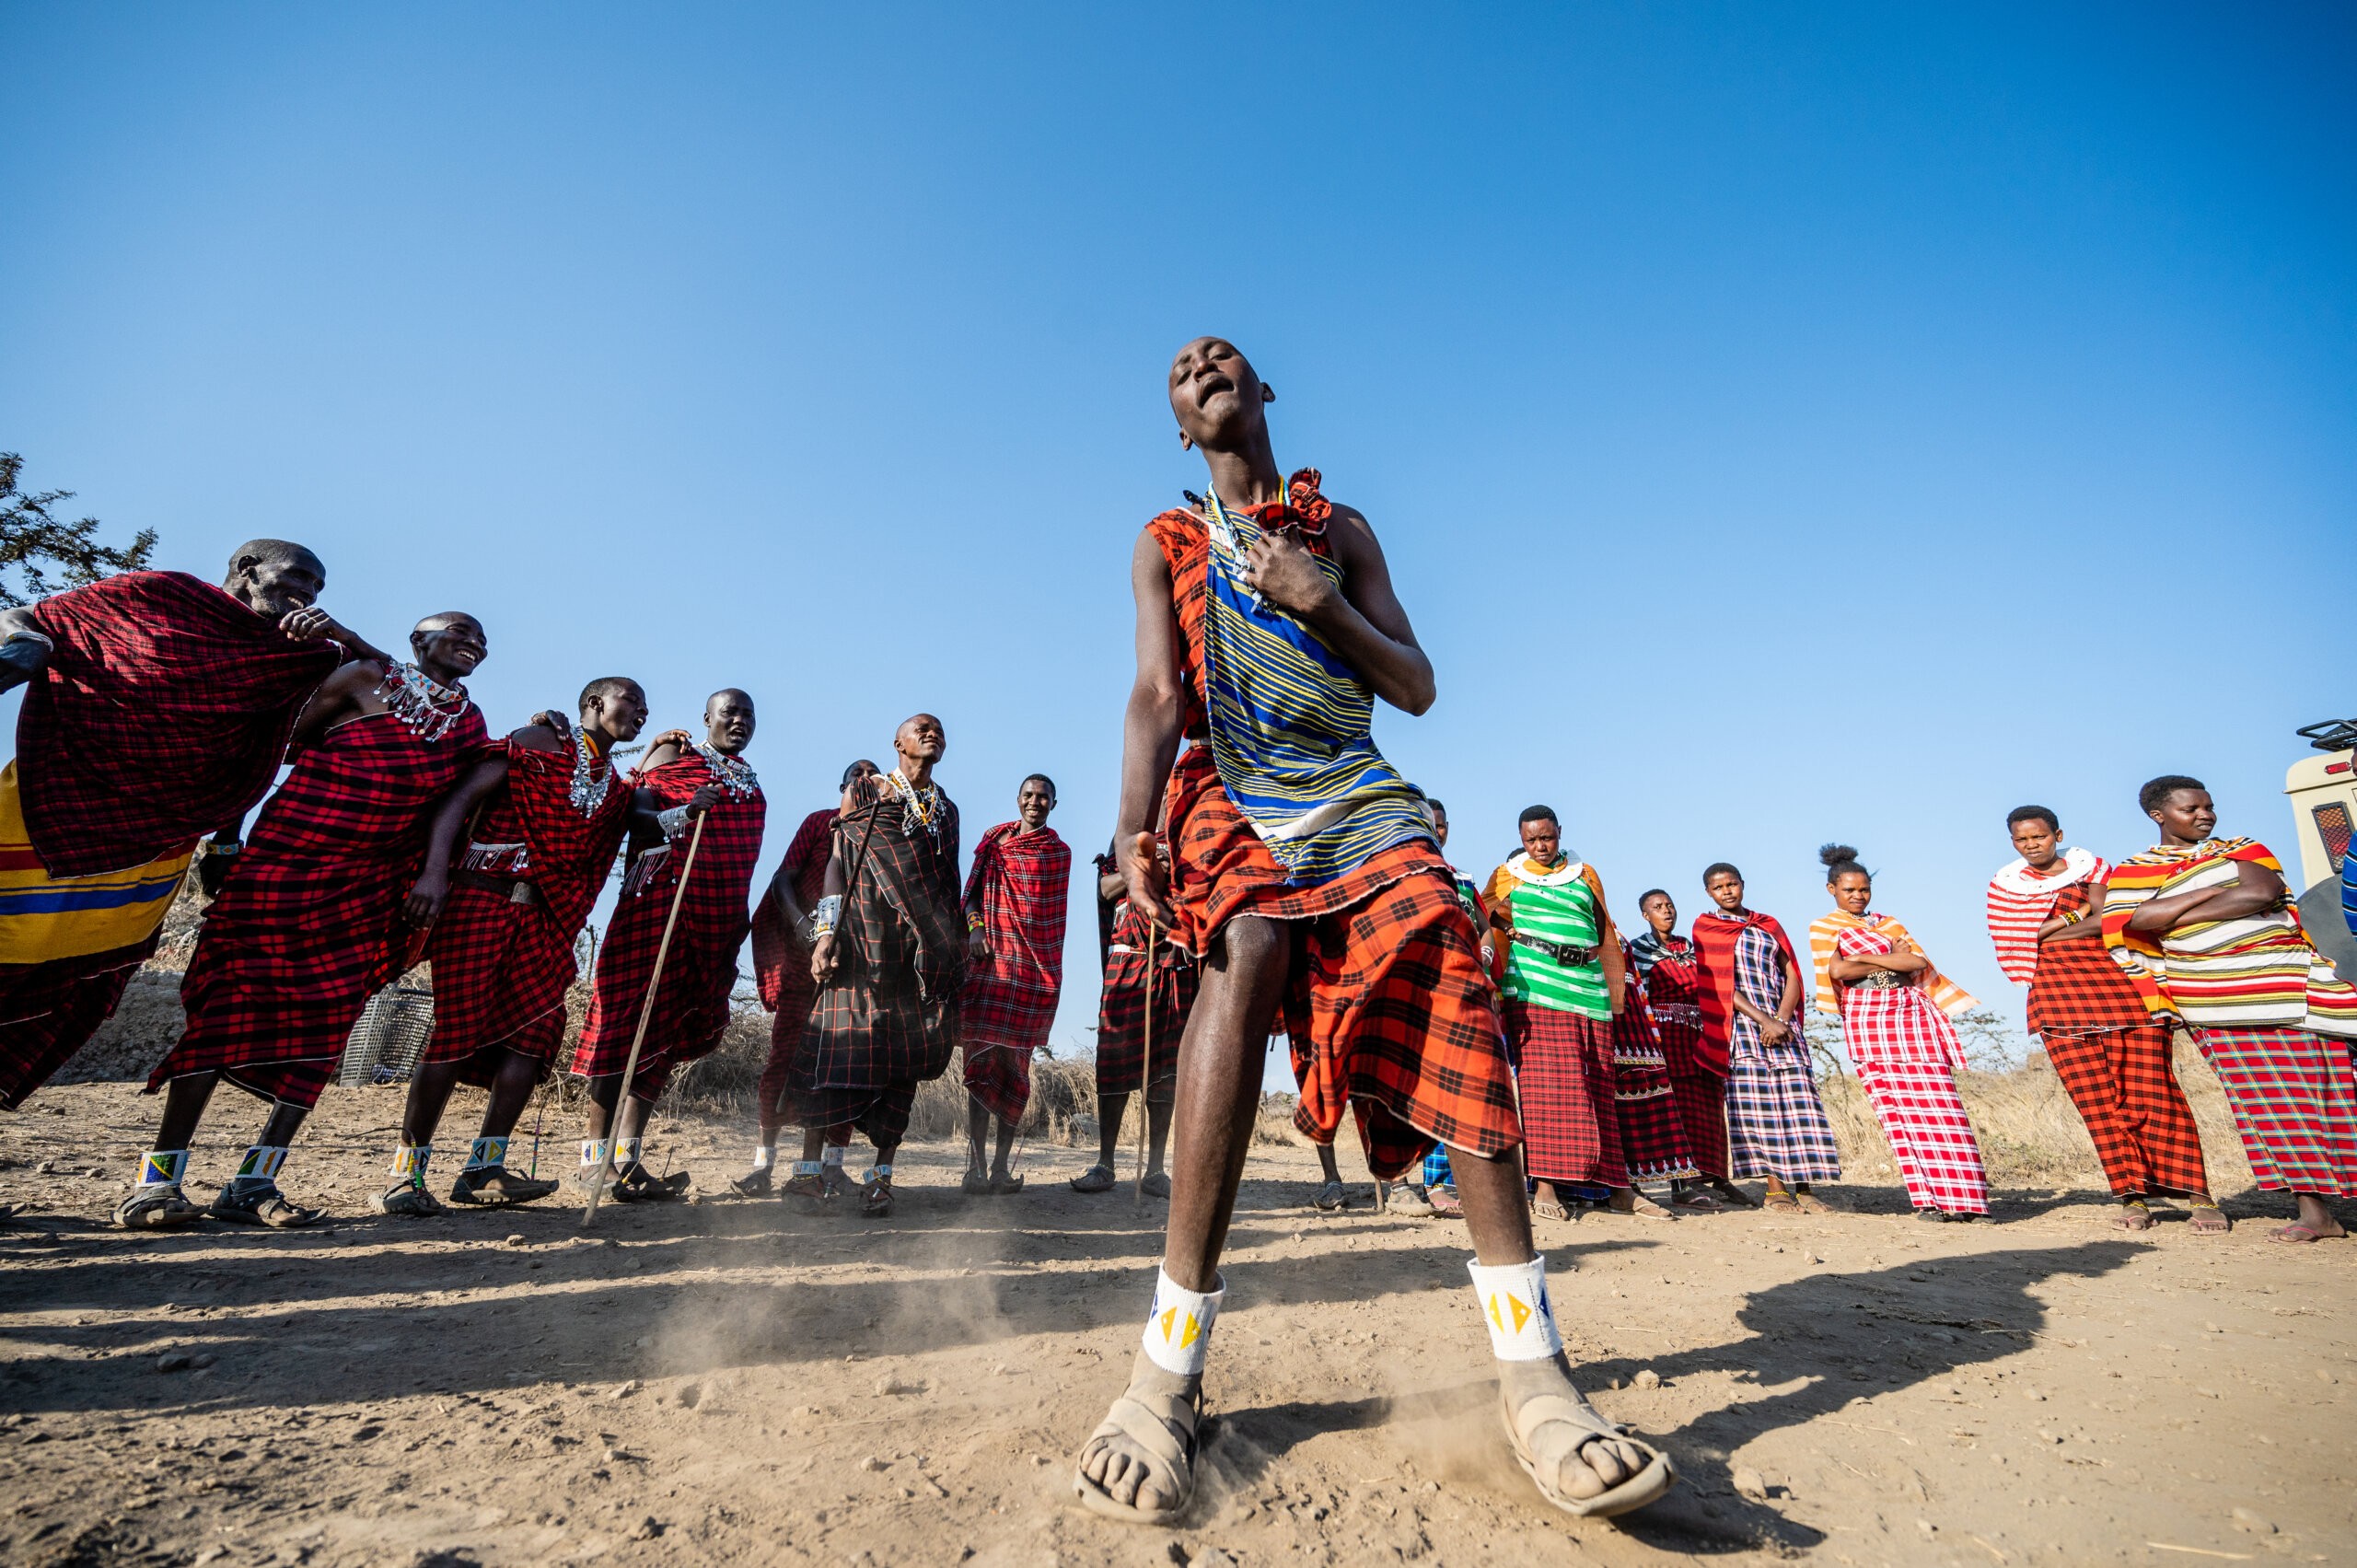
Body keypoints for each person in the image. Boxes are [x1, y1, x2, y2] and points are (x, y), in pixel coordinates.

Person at [1073, 338, 1672, 1526]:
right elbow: (1154, 694)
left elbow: (1415, 684)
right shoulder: (1168, 540)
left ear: (1264, 395)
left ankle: (1533, 1373)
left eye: (1225, 356)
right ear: (1177, 424)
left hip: (1349, 783)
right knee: (1245, 944)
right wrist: (1130, 830)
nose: (1202, 364)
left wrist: (1321, 598)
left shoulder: (1338, 530)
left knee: (1447, 941)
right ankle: (1165, 1373)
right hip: (1228, 784)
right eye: (1182, 370)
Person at [118, 613, 491, 1229]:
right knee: (222, 1013)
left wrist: (431, 873)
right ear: (417, 641)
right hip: (286, 861)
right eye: (457, 632)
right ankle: (156, 1182)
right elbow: (270, 756)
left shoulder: (468, 722)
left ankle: (254, 1181)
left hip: (368, 888)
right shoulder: (361, 677)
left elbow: (454, 804)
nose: (473, 644)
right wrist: (224, 841)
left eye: (482, 640)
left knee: (324, 1028)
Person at [0, 542, 357, 1111]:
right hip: (50, 801)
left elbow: (253, 753)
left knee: (79, 982)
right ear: (247, 568)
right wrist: (18, 646)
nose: (308, 595)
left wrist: (227, 838)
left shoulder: (288, 654)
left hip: (160, 842)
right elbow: (29, 617)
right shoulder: (158, 592)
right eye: (298, 578)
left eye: (318, 590)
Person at [377, 678, 688, 1215]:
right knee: (456, 1030)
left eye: (644, 709)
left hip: (544, 920)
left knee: (536, 1033)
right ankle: (407, 1174)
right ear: (594, 703)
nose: (639, 713)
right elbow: (461, 800)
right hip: (481, 902)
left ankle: (484, 1168)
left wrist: (685, 804)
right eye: (630, 703)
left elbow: (638, 825)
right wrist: (432, 874)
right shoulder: (541, 742)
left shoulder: (612, 787)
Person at [2104, 776, 2357, 1243]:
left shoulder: (2244, 847)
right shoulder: (2133, 871)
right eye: (2191, 808)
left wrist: (2172, 910)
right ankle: (2316, 1214)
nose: (2206, 815)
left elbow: (2261, 893)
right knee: (2271, 1108)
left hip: (2286, 990)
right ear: (2159, 815)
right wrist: (2206, 898)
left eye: (2209, 806)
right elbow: (2133, 922)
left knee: (2331, 1094)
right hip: (2211, 1003)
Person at [570, 690, 765, 1202]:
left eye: (749, 714)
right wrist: (685, 811)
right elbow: (634, 813)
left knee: (662, 1038)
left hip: (714, 923)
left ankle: (627, 1158)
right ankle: (594, 1162)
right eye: (730, 713)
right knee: (623, 1027)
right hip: (659, 907)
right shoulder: (677, 757)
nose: (741, 721)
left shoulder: (751, 780)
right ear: (707, 719)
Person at [1986, 806, 2221, 1232]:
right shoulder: (2004, 887)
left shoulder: (2090, 868)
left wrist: (2057, 926)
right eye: (2022, 840)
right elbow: (2014, 937)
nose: (2031, 845)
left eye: (2039, 836)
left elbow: (2111, 921)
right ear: (2013, 843)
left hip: (2122, 991)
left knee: (2156, 1093)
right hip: (2055, 1000)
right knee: (2097, 1104)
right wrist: (2074, 920)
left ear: (2057, 834)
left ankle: (2198, 1194)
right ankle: (2132, 1197)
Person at [795, 714, 968, 1219]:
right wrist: (825, 934)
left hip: (914, 955)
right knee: (836, 1054)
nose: (932, 732)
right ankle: (808, 1176)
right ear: (898, 743)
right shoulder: (867, 790)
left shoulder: (947, 810)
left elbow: (946, 884)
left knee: (902, 1065)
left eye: (938, 728)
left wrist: (947, 945)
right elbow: (836, 864)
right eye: (920, 728)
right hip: (860, 946)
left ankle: (880, 1179)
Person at [1482, 807, 1655, 1221]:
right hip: (1532, 989)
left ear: (1559, 833)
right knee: (1545, 1089)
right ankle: (1545, 1186)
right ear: (1521, 839)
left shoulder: (1585, 874)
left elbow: (1600, 927)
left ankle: (1618, 1188)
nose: (1540, 847)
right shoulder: (1506, 876)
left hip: (1589, 988)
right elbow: (1485, 919)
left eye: (1547, 837)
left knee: (1599, 1087)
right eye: (1531, 840)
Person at [1811, 845, 1990, 1222]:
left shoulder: (1890, 922)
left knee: (1943, 1105)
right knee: (1898, 1110)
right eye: (1849, 891)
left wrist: (1861, 958)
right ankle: (1929, 1201)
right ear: (1832, 890)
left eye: (1864, 890)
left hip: (1910, 1010)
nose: (1858, 896)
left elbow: (1916, 962)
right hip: (1867, 1016)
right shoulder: (1823, 927)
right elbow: (1838, 973)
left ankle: (1969, 1201)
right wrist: (1887, 956)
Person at [737, 759, 877, 1203]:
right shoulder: (820, 823)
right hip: (805, 960)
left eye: (874, 779)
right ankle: (764, 1163)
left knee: (843, 1068)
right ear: (843, 786)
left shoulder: (881, 835)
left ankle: (830, 1168)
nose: (865, 785)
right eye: (858, 778)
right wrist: (802, 925)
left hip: (854, 966)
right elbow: (784, 879)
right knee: (784, 1058)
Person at [1693, 863, 1840, 1213]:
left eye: (1732, 884)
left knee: (1799, 1103)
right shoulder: (1707, 928)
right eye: (1719, 887)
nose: (1727, 891)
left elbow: (1791, 971)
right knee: (1758, 1109)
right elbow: (1717, 985)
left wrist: (1782, 1019)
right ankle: (1775, 1188)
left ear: (1743, 884)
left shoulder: (1768, 924)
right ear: (1709, 893)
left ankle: (1805, 1186)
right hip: (1742, 1027)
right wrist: (1763, 1021)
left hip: (1784, 1024)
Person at [959, 773, 1072, 1194]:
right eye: (1028, 795)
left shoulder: (1059, 854)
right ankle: (975, 1167)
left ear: (1053, 805)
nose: (1035, 802)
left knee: (1015, 1075)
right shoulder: (995, 844)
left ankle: (1002, 1169)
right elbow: (970, 895)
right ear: (1017, 799)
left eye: (1043, 797)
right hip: (990, 969)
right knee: (980, 1066)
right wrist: (975, 928)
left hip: (1030, 976)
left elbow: (1049, 922)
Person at [1074, 832, 1196, 1197]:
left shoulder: (1187, 835)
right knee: (1113, 1062)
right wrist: (1138, 870)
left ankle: (1156, 1169)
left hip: (1174, 964)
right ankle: (1105, 1163)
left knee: (1167, 1069)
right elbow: (1105, 890)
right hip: (1127, 961)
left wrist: (1170, 873)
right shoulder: (1125, 836)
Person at [1628, 889, 1752, 1211]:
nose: (1666, 911)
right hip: (1665, 1037)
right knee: (1679, 1109)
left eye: (1669, 905)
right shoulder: (1639, 950)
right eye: (1657, 907)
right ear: (1645, 915)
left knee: (1710, 1107)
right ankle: (1682, 1184)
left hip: (1701, 1034)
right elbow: (1637, 994)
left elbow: (1716, 986)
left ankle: (1717, 1178)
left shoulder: (1692, 947)